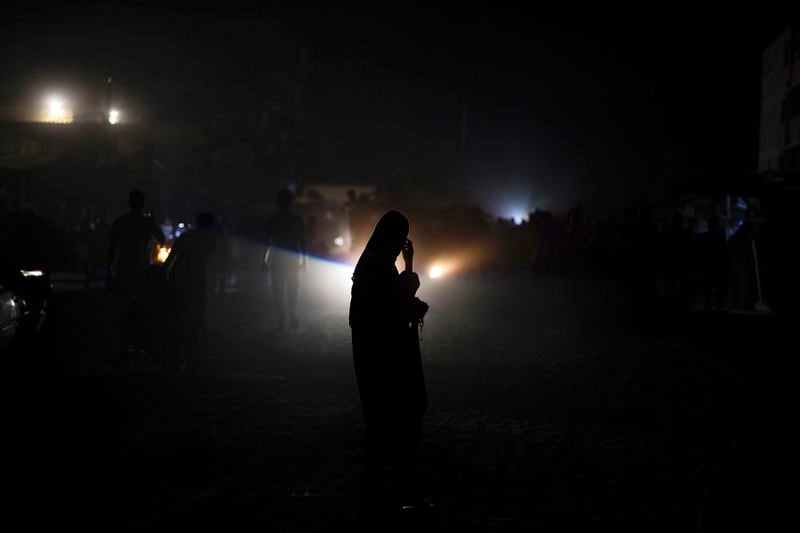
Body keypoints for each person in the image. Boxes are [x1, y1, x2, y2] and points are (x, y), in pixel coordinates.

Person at [349, 210, 431, 518]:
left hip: (374, 355)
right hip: (387, 356)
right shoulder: (379, 268)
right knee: (400, 420)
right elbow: (396, 302)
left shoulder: (372, 265)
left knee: (383, 424)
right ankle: (395, 491)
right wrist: (409, 275)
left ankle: (378, 490)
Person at [106, 190, 165, 367]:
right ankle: (142, 343)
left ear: (129, 203)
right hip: (141, 269)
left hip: (124, 269)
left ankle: (122, 348)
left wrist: (109, 271)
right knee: (143, 308)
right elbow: (161, 239)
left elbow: (112, 248)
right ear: (142, 203)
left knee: (122, 309)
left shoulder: (121, 221)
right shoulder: (147, 223)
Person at [164, 213, 217, 373]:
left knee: (181, 315)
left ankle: (182, 351)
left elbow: (169, 261)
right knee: (195, 316)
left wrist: (162, 278)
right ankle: (191, 353)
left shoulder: (186, 238)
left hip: (180, 280)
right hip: (194, 282)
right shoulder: (211, 241)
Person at [264, 189, 306, 331]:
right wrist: (304, 260)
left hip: (278, 259)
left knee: (278, 291)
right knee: (292, 289)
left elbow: (267, 242)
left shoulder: (273, 220)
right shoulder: (296, 220)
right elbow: (302, 241)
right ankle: (292, 316)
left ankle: (281, 321)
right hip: (292, 259)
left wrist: (264, 261)